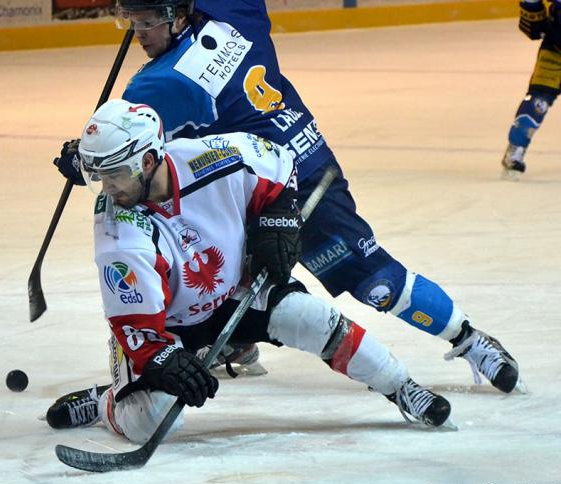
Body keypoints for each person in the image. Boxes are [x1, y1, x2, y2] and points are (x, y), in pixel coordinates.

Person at [54, 0, 521, 395]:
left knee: (373, 279)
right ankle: (233, 339)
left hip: (291, 181)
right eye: (130, 21)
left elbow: (126, 147)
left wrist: (81, 159)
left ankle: (468, 336)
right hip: (263, 177)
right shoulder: (233, 9)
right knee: (199, 257)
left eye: (147, 21)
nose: (138, 33)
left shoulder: (157, 85)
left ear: (179, 15)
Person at [46, 99, 454, 442]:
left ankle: (402, 387)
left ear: (150, 159)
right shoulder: (119, 233)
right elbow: (136, 324)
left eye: (115, 175)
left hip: (235, 291)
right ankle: (107, 403)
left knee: (314, 318)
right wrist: (164, 360)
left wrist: (277, 219)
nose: (108, 189)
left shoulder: (214, 157)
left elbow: (279, 162)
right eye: (99, 177)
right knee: (154, 421)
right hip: (167, 325)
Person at [502, 0, 561, 179]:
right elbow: (534, 28)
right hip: (555, 51)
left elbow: (534, 28)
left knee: (538, 101)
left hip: (554, 50)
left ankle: (515, 151)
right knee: (538, 101)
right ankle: (515, 150)